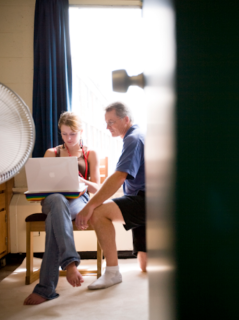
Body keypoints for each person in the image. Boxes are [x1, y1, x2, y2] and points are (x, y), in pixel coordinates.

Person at [24, 112, 101, 305]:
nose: (68, 139)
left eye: (73, 134)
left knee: (54, 221)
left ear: (81, 132)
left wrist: (80, 180)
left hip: (78, 200)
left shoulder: (90, 154)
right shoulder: (52, 153)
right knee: (58, 200)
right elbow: (42, 184)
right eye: (64, 134)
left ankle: (46, 289)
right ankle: (70, 262)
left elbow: (98, 189)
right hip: (52, 199)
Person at [76, 101, 147, 290]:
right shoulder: (137, 134)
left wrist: (91, 205)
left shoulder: (133, 138)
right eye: (106, 122)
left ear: (126, 119)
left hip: (146, 199)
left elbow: (119, 176)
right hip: (142, 198)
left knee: (99, 212)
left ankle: (113, 272)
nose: (107, 127)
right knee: (144, 264)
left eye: (111, 122)